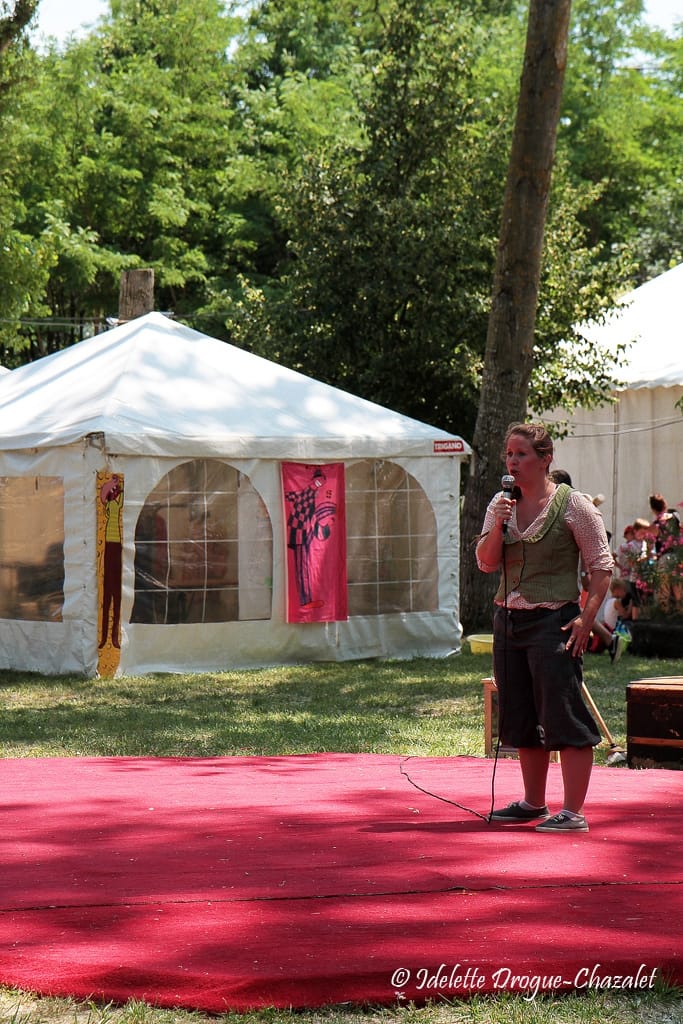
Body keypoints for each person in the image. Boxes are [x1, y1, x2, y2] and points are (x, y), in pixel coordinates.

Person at [476, 422, 613, 834]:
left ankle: (573, 811)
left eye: (521, 454)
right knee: (519, 714)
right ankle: (533, 802)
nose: (512, 462)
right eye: (509, 454)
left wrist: (586, 619)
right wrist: (498, 524)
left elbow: (601, 567)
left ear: (545, 458)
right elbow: (486, 562)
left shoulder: (574, 505)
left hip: (554, 620)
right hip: (508, 620)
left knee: (562, 713)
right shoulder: (501, 503)